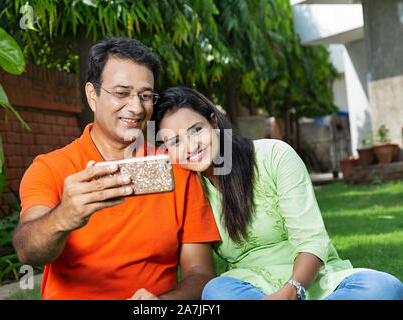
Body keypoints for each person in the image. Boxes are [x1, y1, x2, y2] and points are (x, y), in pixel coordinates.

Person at [12, 38, 220, 300]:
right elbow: (28, 251)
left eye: (145, 96)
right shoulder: (51, 168)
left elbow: (201, 273)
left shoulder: (176, 169)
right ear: (93, 96)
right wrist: (63, 216)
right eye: (122, 93)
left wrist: (159, 303)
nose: (136, 107)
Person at [152, 86, 403, 300]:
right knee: (216, 292)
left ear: (214, 123)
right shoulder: (188, 187)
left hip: (316, 281)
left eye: (196, 130)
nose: (190, 146)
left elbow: (312, 240)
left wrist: (292, 288)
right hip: (250, 287)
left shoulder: (273, 156)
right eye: (175, 141)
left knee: (384, 288)